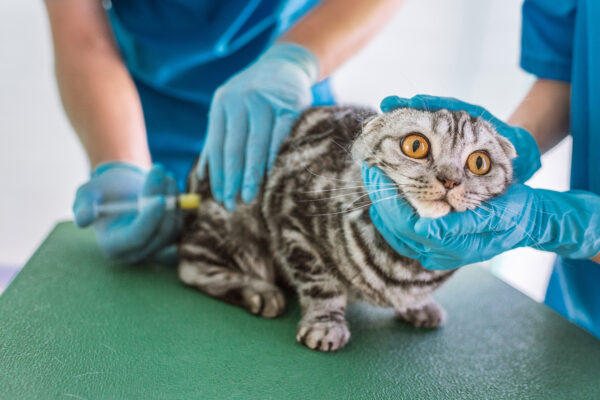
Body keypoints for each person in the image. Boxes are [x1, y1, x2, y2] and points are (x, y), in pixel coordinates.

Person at [44, 0, 403, 263]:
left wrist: (295, 60)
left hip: (287, 114)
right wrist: (120, 166)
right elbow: (83, 38)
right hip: (145, 131)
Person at [363, 0, 600, 337]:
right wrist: (507, 152)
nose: (449, 179)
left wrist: (561, 225)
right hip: (578, 312)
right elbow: (566, 69)